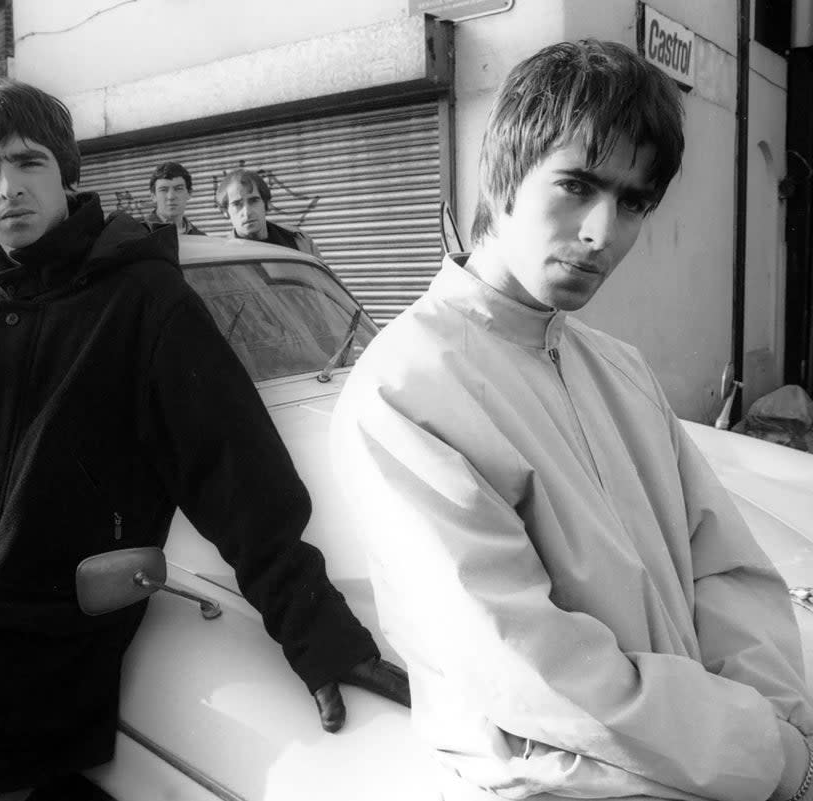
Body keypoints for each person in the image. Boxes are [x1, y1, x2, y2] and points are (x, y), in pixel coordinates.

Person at [0, 76, 408, 801]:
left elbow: (234, 468)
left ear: (67, 173)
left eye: (28, 162)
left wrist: (317, 631)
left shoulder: (142, 303)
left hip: (38, 676)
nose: (8, 188)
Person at [330, 39, 813, 801]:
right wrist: (765, 751)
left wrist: (776, 722)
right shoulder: (405, 388)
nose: (601, 233)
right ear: (504, 173)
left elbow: (725, 569)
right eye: (577, 185)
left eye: (633, 202)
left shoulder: (619, 367)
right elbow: (529, 668)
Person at [216, 167, 321, 257]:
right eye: (237, 204)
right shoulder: (224, 258)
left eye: (254, 201)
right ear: (226, 212)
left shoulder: (299, 240)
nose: (247, 212)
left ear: (266, 204)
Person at [142, 160, 205, 235]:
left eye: (178, 189)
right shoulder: (137, 234)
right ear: (153, 196)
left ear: (189, 193)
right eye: (163, 190)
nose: (171, 197)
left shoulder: (200, 238)